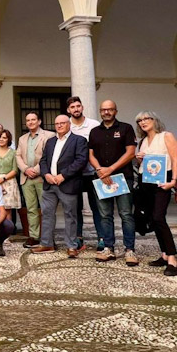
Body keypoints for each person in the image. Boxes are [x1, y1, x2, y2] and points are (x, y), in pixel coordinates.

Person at [89, 100, 137, 264]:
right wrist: (100, 170)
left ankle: (130, 249)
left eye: (110, 109)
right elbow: (91, 154)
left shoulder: (126, 128)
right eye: (103, 110)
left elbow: (131, 153)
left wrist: (111, 169)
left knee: (126, 214)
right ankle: (108, 247)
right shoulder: (94, 131)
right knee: (105, 215)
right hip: (102, 178)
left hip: (123, 177)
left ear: (115, 111)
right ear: (100, 112)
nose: (106, 112)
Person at [133, 110, 177, 275]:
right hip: (145, 181)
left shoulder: (166, 136)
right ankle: (164, 254)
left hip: (162, 181)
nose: (143, 122)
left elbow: (176, 159)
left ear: (155, 120)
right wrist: (139, 159)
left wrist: (173, 181)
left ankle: (173, 259)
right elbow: (143, 163)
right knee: (152, 219)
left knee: (159, 218)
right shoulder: (143, 141)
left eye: (147, 118)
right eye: (140, 121)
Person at [39, 115, 89, 257]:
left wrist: (63, 175)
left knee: (70, 216)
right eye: (57, 124)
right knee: (47, 214)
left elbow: (81, 161)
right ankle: (46, 244)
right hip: (49, 184)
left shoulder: (79, 140)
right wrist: (46, 174)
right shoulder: (50, 141)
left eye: (63, 123)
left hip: (68, 184)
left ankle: (71, 246)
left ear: (69, 124)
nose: (59, 126)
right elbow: (43, 161)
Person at [67, 96, 102, 252]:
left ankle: (102, 238)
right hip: (75, 174)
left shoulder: (94, 125)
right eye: (73, 107)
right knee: (76, 208)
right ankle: (78, 237)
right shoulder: (67, 126)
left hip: (93, 172)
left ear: (82, 107)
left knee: (98, 207)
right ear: (68, 110)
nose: (76, 109)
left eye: (78, 106)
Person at [16, 111, 55, 249]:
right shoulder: (22, 139)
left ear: (39, 121)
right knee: (31, 209)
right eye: (28, 120)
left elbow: (48, 156)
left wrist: (36, 170)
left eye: (33, 119)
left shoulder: (49, 136)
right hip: (26, 178)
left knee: (46, 209)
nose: (30, 122)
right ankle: (34, 236)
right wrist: (26, 169)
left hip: (42, 177)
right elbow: (18, 156)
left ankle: (48, 237)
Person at [0, 128, 20, 228]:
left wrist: (3, 179)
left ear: (8, 139)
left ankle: (7, 235)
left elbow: (15, 170)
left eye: (4, 138)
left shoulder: (14, 152)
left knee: (7, 210)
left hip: (9, 182)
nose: (1, 139)